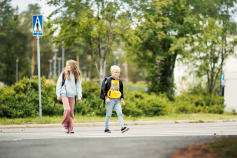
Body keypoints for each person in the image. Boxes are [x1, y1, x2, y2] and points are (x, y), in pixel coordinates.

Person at [56, 60, 82, 133]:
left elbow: (78, 86)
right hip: (64, 94)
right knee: (67, 109)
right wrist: (58, 94)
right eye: (66, 65)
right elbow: (59, 84)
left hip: (72, 95)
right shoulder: (63, 74)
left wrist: (79, 96)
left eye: (68, 65)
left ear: (73, 66)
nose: (67, 66)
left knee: (71, 113)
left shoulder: (77, 75)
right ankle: (64, 124)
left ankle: (70, 129)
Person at [104, 65, 129, 133]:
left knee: (120, 113)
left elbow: (121, 90)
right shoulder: (108, 80)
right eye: (116, 72)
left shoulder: (119, 81)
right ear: (112, 73)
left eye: (118, 72)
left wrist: (122, 99)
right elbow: (104, 90)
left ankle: (122, 127)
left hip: (117, 100)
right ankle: (106, 128)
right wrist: (106, 97)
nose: (117, 73)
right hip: (110, 100)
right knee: (108, 114)